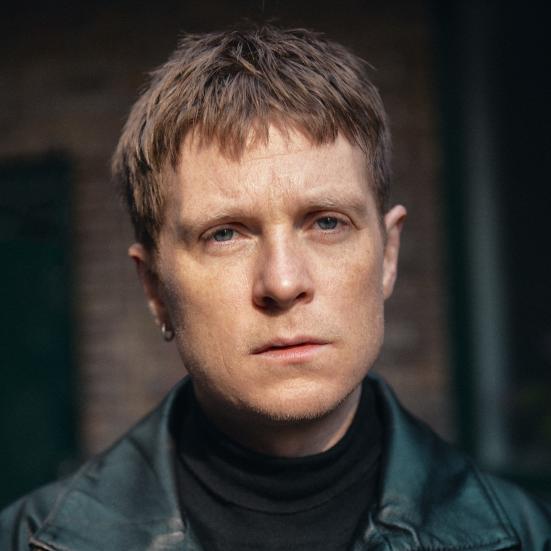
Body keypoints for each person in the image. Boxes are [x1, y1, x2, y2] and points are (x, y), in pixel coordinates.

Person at [1, 26, 550, 550]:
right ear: (155, 288)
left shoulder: (529, 536)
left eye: (327, 222)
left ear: (388, 256)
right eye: (224, 234)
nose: (283, 283)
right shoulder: (25, 540)